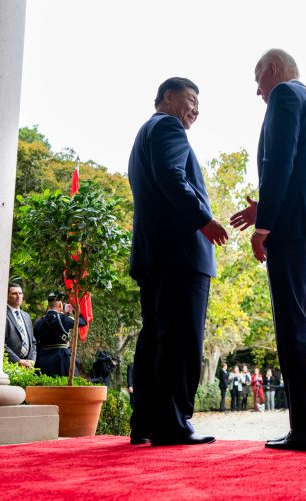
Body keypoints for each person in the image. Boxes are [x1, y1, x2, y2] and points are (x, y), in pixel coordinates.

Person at [230, 49, 306, 452]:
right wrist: (265, 207)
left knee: (292, 328)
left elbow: (279, 162)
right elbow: (305, 169)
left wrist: (264, 225)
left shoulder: (285, 96)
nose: (258, 91)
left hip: (293, 228)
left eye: (258, 80)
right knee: (305, 327)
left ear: (273, 71)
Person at [127, 77, 228, 446]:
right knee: (180, 338)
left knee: (154, 337)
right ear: (167, 97)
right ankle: (173, 424)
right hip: (179, 254)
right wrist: (203, 218)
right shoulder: (167, 126)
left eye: (199, 105)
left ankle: (146, 424)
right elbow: (172, 176)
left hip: (154, 253)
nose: (195, 110)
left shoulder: (145, 132)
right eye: (190, 99)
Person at [33, 292, 87, 377]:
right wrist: (74, 310)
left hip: (43, 361)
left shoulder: (38, 322)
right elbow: (83, 322)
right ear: (60, 304)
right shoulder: (63, 318)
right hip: (61, 359)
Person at [4, 283, 36, 368]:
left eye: (20, 293)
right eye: (14, 293)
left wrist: (32, 360)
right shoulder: (2, 314)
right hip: (10, 365)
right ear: (6, 296)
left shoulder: (26, 316)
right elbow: (1, 344)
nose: (18, 296)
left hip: (27, 365)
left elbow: (33, 342)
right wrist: (18, 361)